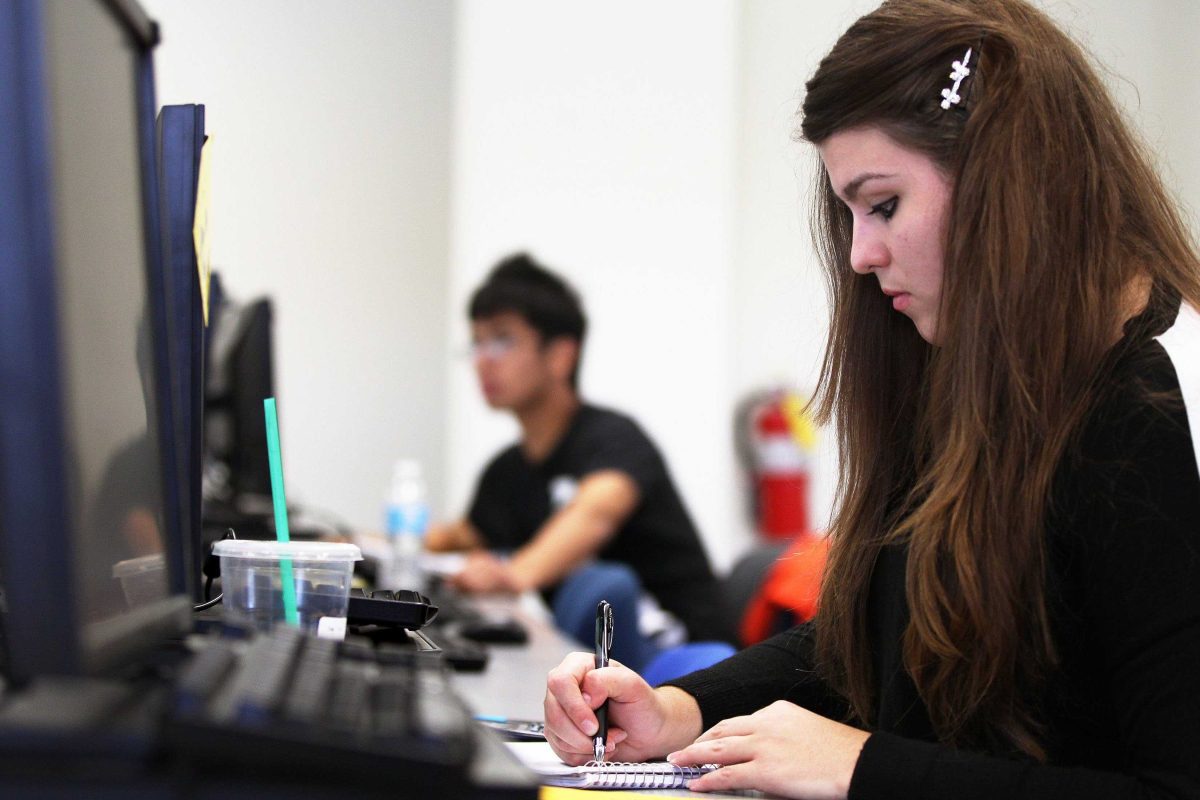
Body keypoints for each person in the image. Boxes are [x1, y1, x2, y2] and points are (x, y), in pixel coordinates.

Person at [542, 1, 1200, 797]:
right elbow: (872, 640)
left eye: (883, 205)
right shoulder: (968, 368)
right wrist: (680, 711)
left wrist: (862, 767)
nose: (860, 255)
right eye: (850, 213)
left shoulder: (1161, 405)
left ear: (1009, 184)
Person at [426, 254, 731, 663]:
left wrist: (511, 575)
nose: (483, 359)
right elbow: (455, 538)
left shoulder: (614, 438)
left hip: (680, 655)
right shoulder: (507, 472)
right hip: (599, 661)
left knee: (607, 585)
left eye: (501, 340)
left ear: (560, 355)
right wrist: (356, 547)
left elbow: (594, 515)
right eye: (477, 342)